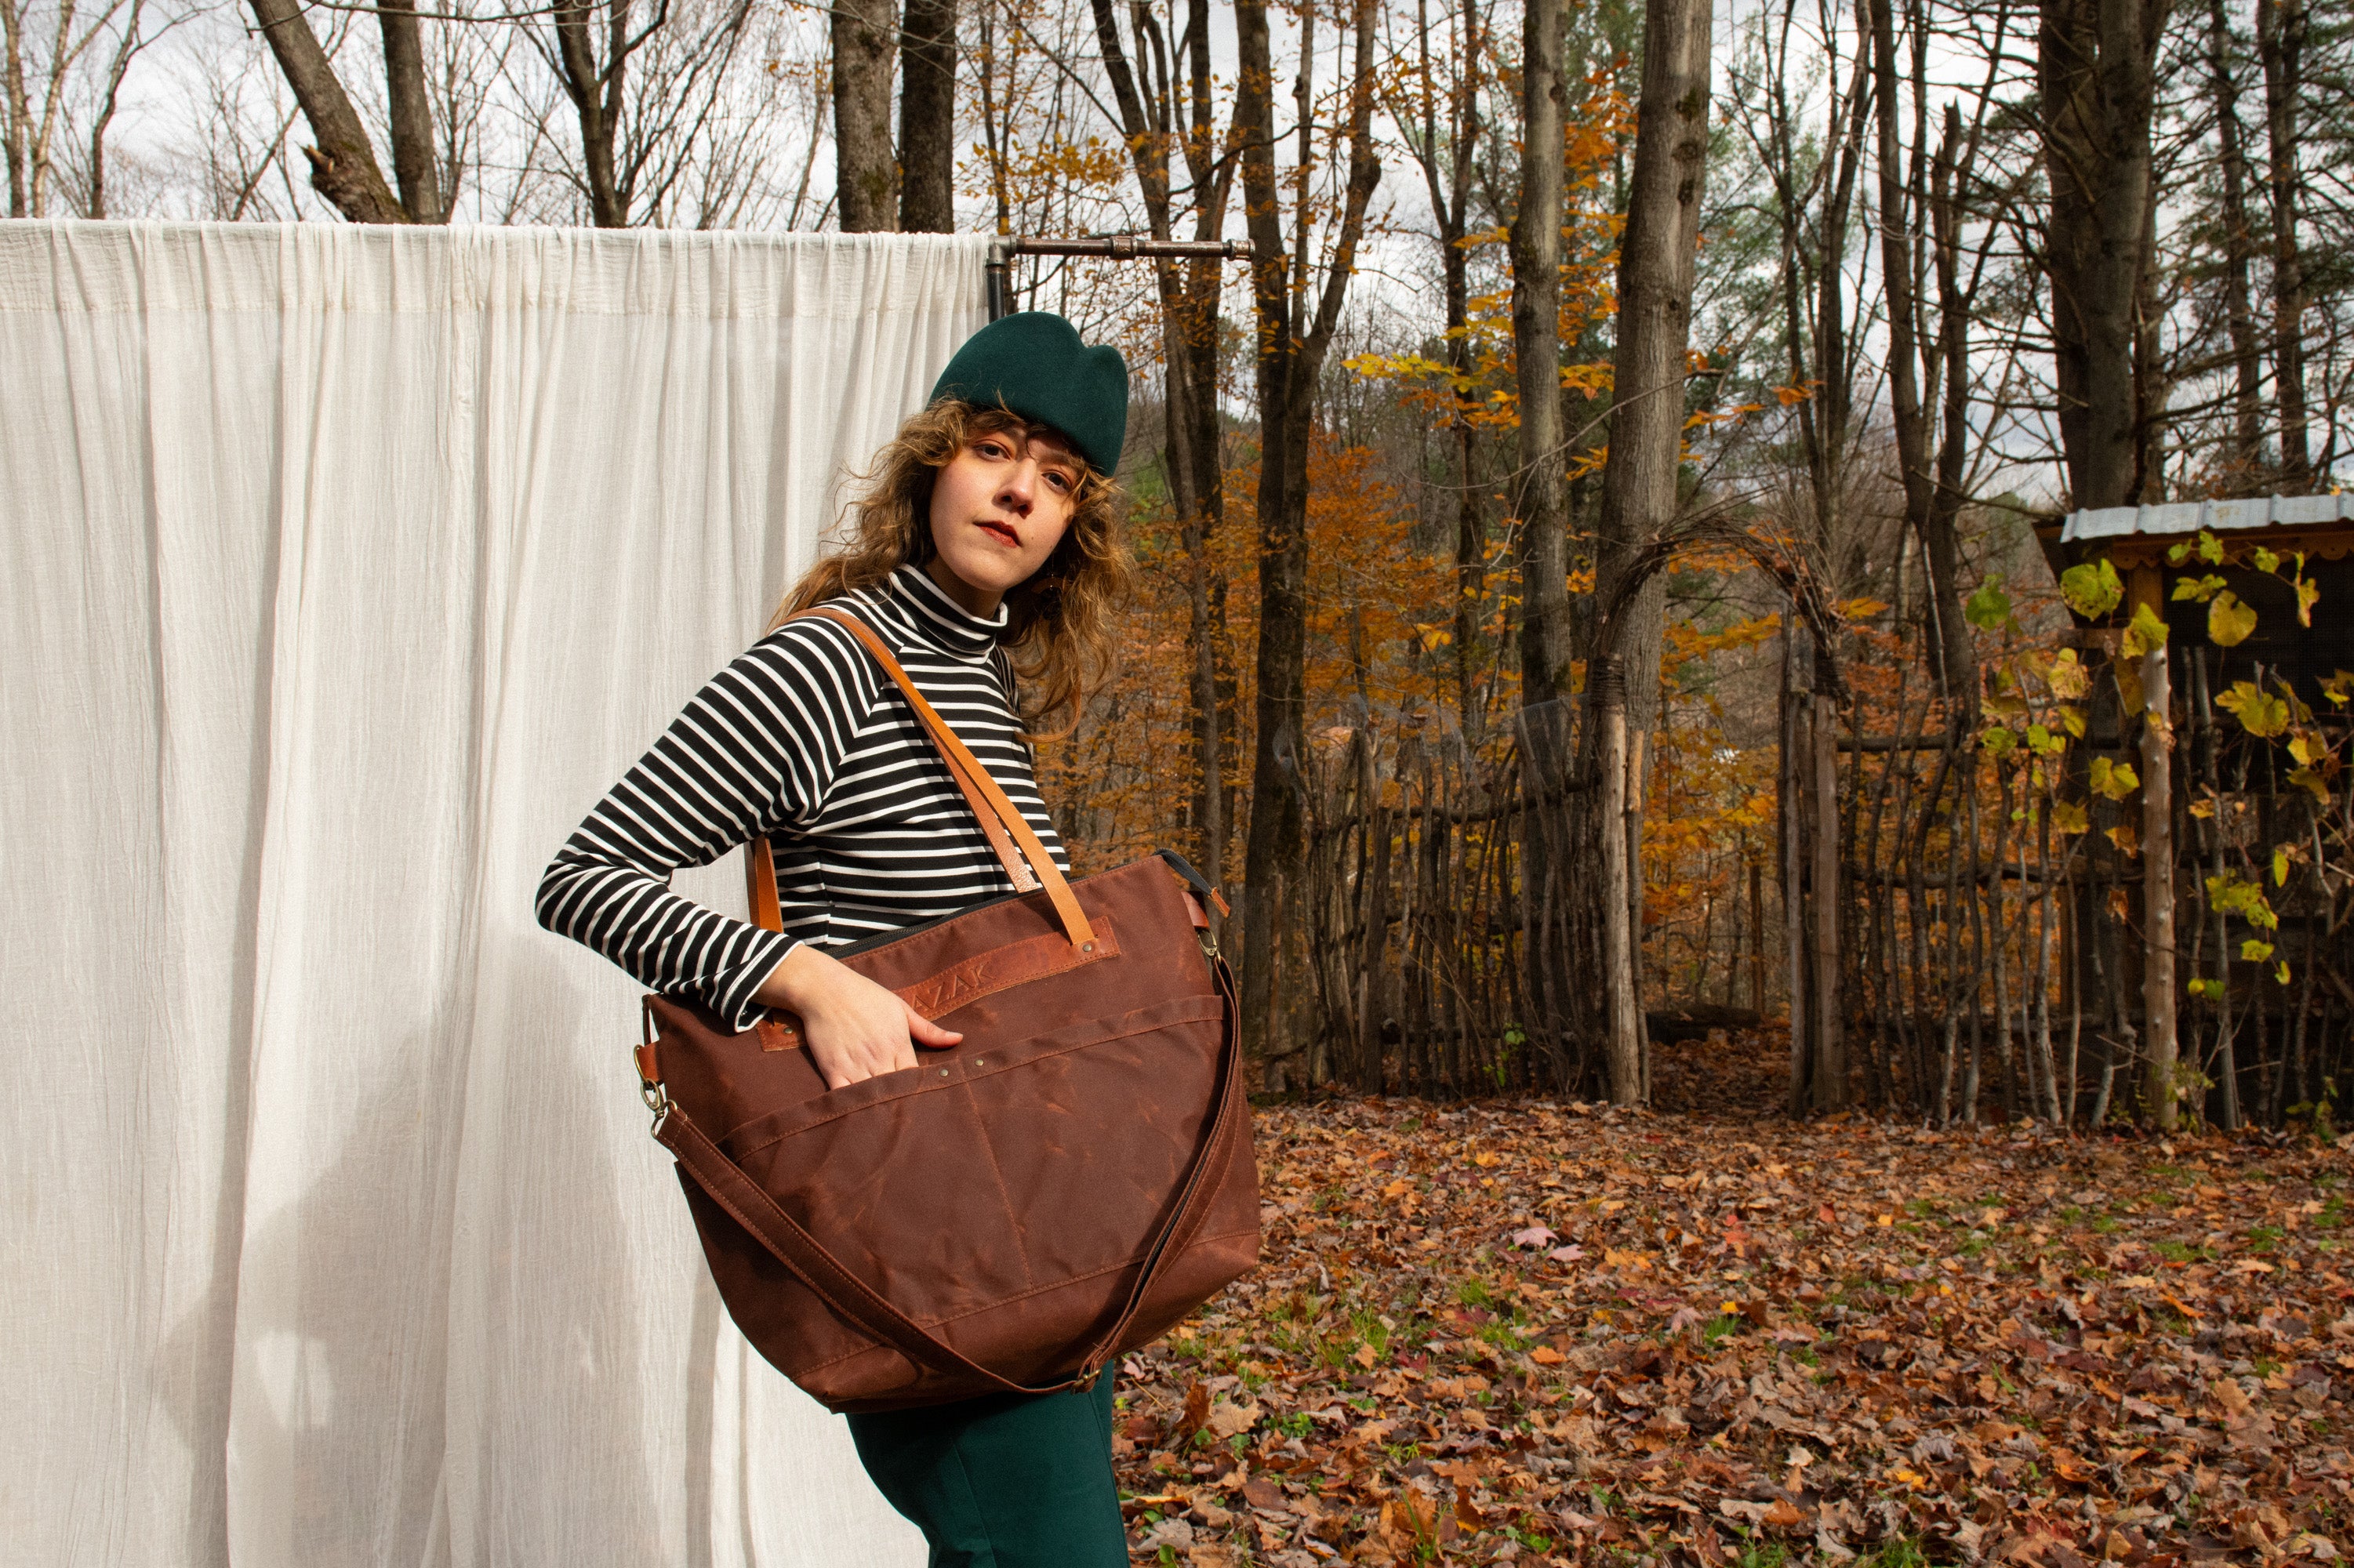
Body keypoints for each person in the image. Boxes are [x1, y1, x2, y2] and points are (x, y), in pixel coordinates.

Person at [536, 311, 1136, 1566]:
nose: (1021, 490)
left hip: (1033, 1219)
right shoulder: (832, 665)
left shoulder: (981, 684)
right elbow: (584, 876)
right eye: (993, 448)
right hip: (926, 1230)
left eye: (1060, 478)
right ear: (933, 461)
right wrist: (802, 979)